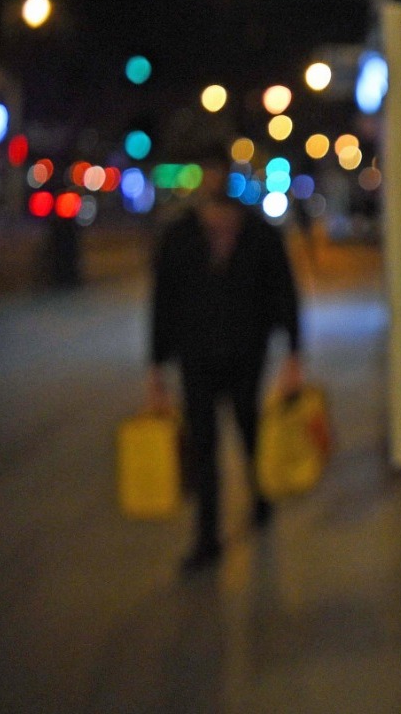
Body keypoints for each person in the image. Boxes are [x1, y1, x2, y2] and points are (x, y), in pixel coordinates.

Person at [146, 148, 304, 573]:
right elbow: (163, 302)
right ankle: (206, 538)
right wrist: (156, 366)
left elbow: (284, 292)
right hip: (196, 356)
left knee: (251, 429)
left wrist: (293, 353)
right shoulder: (179, 237)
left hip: (246, 352)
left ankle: (261, 496)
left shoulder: (259, 234)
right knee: (204, 445)